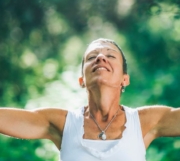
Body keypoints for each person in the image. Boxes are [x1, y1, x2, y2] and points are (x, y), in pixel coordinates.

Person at [0, 38, 180, 161]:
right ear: (82, 81)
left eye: (110, 56)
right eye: (92, 57)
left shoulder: (145, 121)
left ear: (125, 79)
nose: (101, 57)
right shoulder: (62, 123)